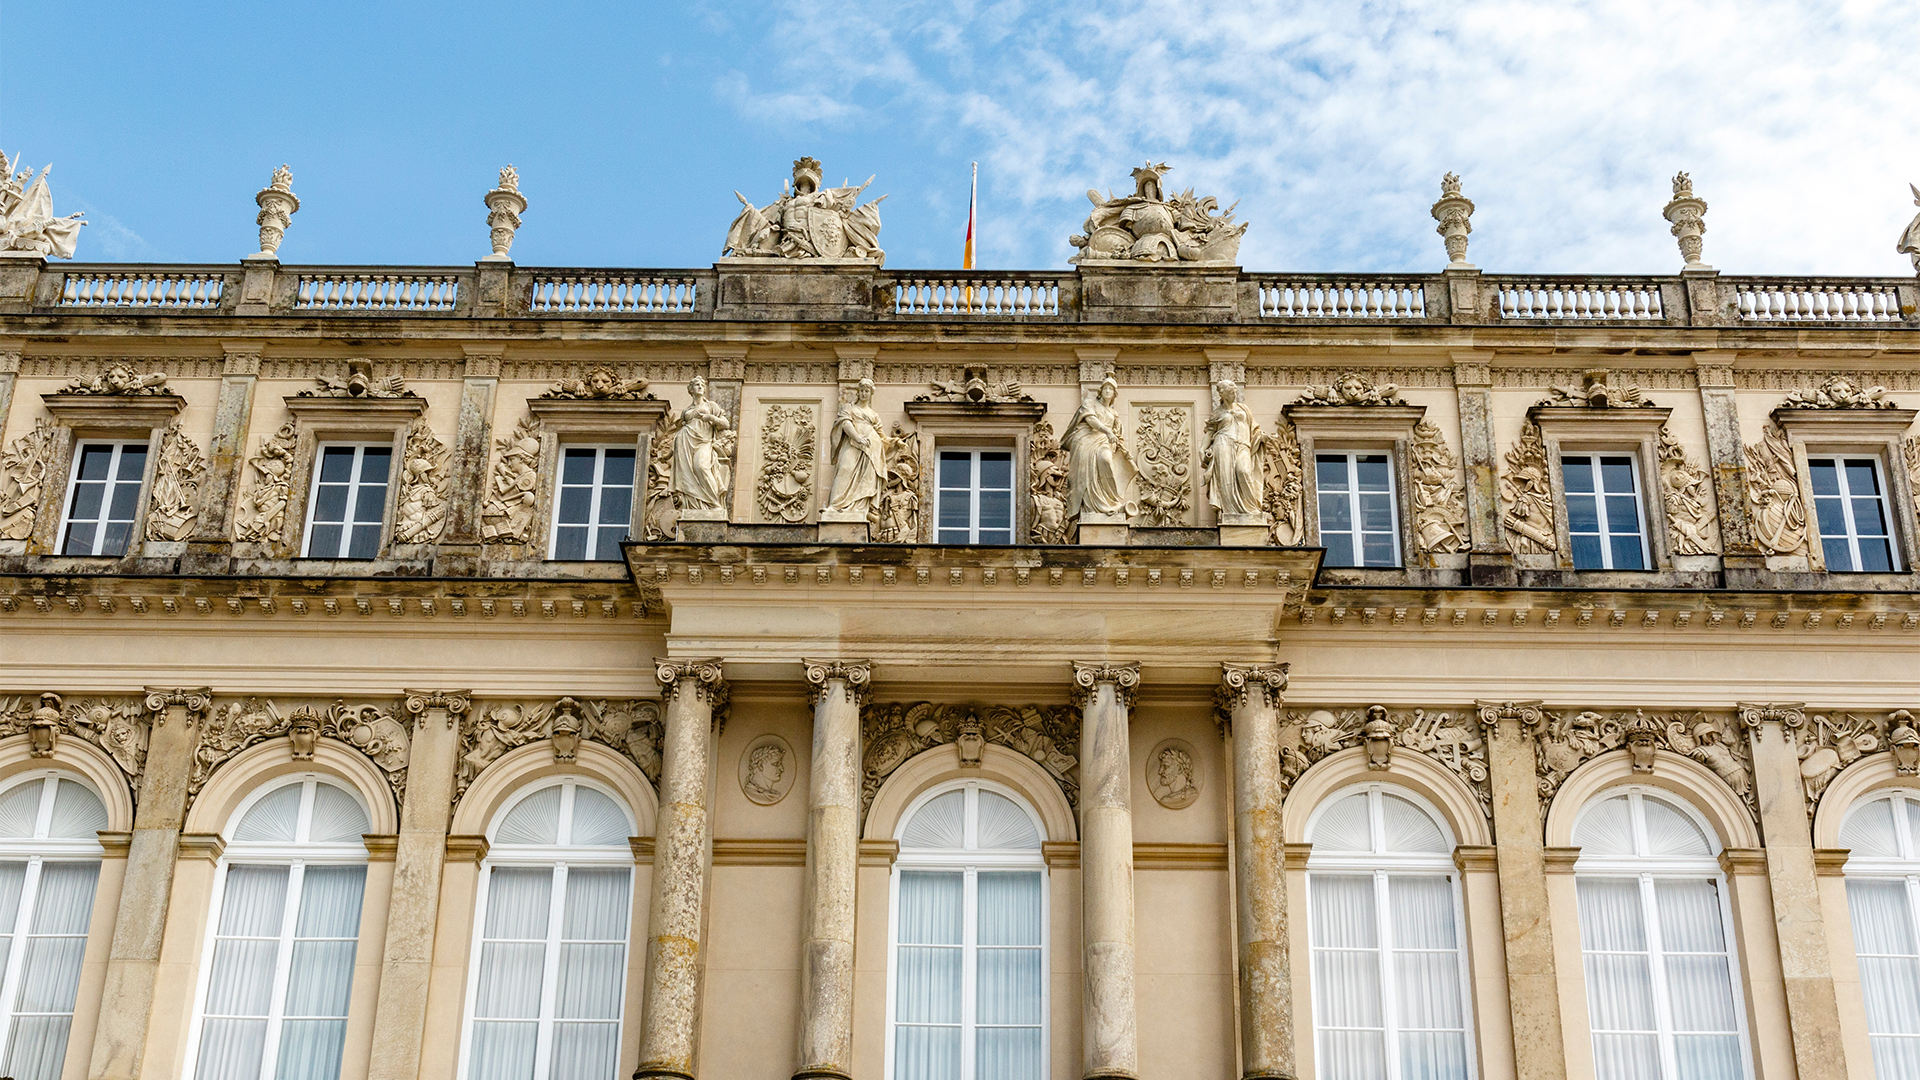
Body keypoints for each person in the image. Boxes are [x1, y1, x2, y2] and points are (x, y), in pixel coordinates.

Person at [1061, 376, 1130, 517]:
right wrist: (1107, 431)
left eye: (1111, 389)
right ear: (1101, 390)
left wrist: (1123, 450)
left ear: (1114, 394)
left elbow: (1118, 434)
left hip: (1104, 441)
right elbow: (1090, 419)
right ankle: (1090, 506)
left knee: (1105, 460)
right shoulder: (1089, 403)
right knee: (1086, 471)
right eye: (1105, 388)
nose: (1108, 391)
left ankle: (1109, 501)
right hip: (1086, 438)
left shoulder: (1114, 413)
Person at [671, 376, 735, 511]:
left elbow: (725, 424)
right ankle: (696, 507)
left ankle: (714, 504)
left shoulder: (710, 406)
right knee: (688, 474)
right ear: (690, 390)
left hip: (704, 442)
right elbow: (680, 426)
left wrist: (710, 418)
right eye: (696, 385)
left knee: (701, 467)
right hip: (686, 442)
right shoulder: (686, 411)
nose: (700, 386)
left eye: (702, 385)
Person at [825, 379, 885, 516]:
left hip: (871, 449)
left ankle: (859, 509)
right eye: (862, 390)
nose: (864, 393)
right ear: (858, 392)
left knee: (866, 479)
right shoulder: (848, 408)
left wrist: (895, 442)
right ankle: (835, 506)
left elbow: (882, 435)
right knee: (845, 468)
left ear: (871, 394)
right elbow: (845, 424)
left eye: (867, 391)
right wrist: (858, 438)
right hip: (853, 443)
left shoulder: (874, 415)